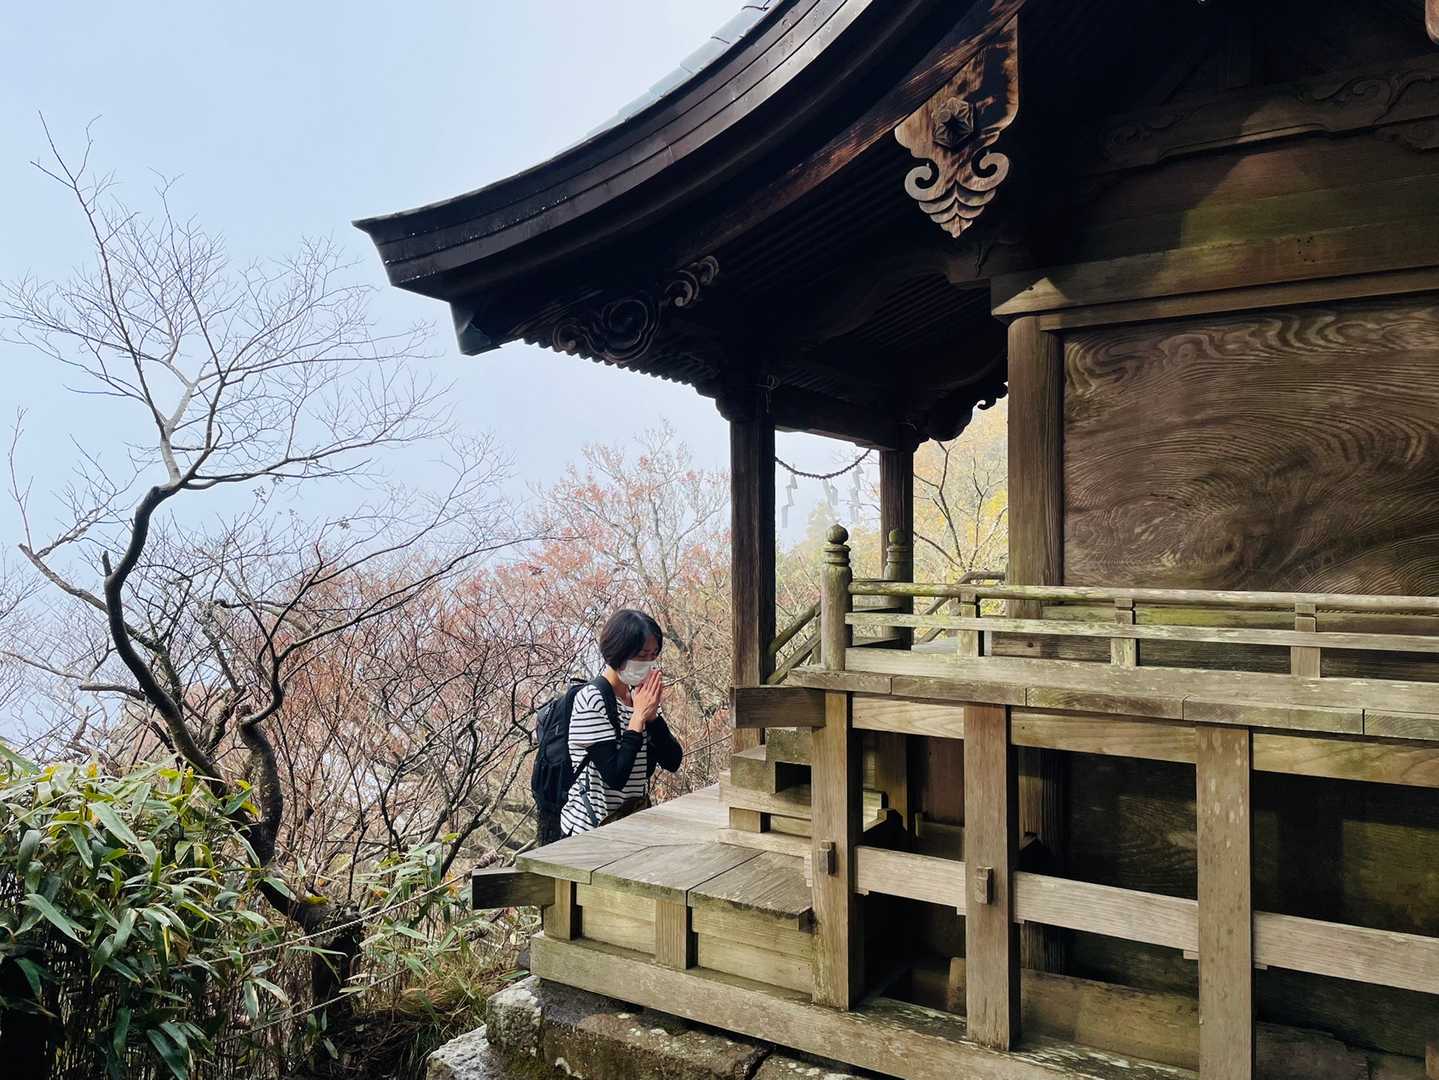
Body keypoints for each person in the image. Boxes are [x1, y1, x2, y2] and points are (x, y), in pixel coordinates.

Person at [560, 609, 684, 836]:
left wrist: (652, 717)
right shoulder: (592, 699)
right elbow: (615, 777)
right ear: (618, 652)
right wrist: (638, 718)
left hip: (630, 824)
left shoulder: (638, 696)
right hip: (591, 830)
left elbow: (673, 761)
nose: (648, 663)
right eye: (641, 655)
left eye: (653, 655)